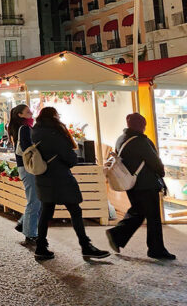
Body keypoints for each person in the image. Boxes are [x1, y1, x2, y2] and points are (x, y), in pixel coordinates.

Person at [30, 107, 110, 261]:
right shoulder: (55, 133)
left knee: (46, 212)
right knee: (75, 210)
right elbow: (70, 158)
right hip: (60, 178)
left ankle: (40, 246)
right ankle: (86, 246)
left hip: (43, 177)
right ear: (54, 116)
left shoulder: (35, 132)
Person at [106, 113, 175, 260]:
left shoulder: (121, 139)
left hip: (131, 183)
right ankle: (156, 249)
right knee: (153, 217)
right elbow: (155, 162)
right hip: (146, 184)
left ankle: (117, 235)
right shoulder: (141, 141)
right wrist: (161, 173)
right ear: (141, 125)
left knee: (138, 211)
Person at [7, 104, 40, 246]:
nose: (31, 112)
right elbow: (27, 148)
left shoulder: (21, 128)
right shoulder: (25, 128)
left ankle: (23, 224)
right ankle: (30, 234)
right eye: (27, 111)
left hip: (24, 167)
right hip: (28, 167)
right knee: (35, 201)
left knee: (36, 200)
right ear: (20, 115)